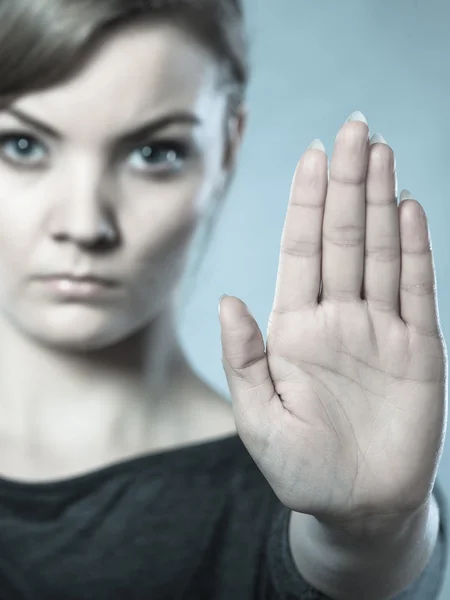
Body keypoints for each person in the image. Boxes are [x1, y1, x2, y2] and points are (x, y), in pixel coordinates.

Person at [0, 1, 447, 599]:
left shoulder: (301, 490)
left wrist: (370, 533)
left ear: (229, 147)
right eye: (23, 145)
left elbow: (347, 566)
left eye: (154, 153)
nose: (84, 224)